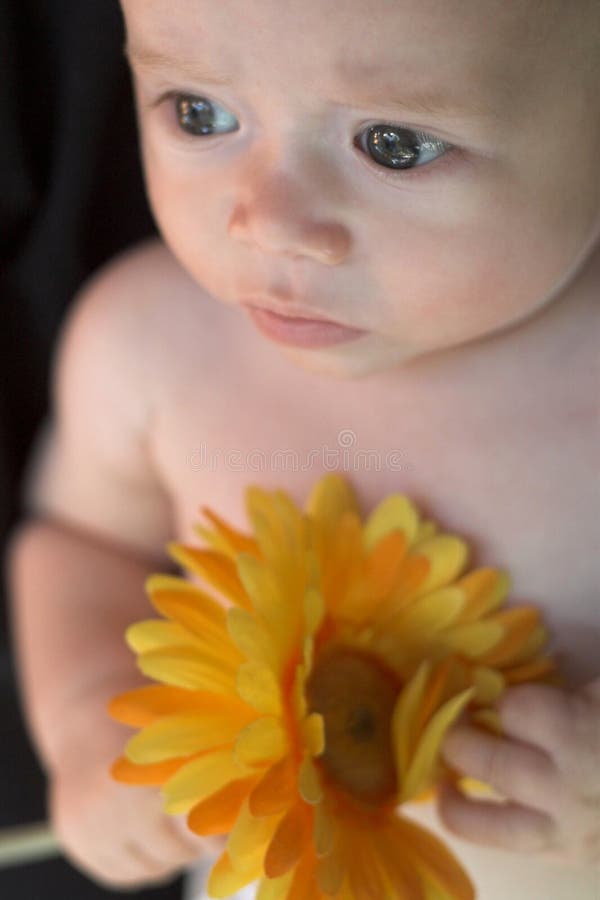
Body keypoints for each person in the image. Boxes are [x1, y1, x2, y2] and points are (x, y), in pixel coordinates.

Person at [5, 0, 599, 897]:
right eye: (198, 112)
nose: (269, 222)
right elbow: (81, 545)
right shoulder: (151, 347)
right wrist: (91, 721)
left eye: (395, 143)